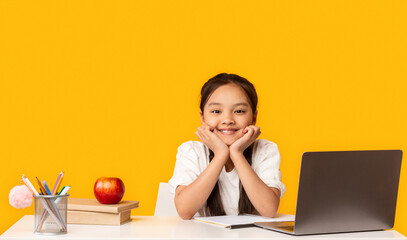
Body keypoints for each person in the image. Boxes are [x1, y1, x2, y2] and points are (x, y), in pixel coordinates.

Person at [169, 73, 286, 220]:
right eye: (216, 111)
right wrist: (220, 155)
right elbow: (185, 211)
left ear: (254, 117)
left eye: (239, 111)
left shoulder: (265, 150)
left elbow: (269, 210)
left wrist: (237, 153)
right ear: (202, 117)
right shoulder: (192, 151)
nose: (227, 120)